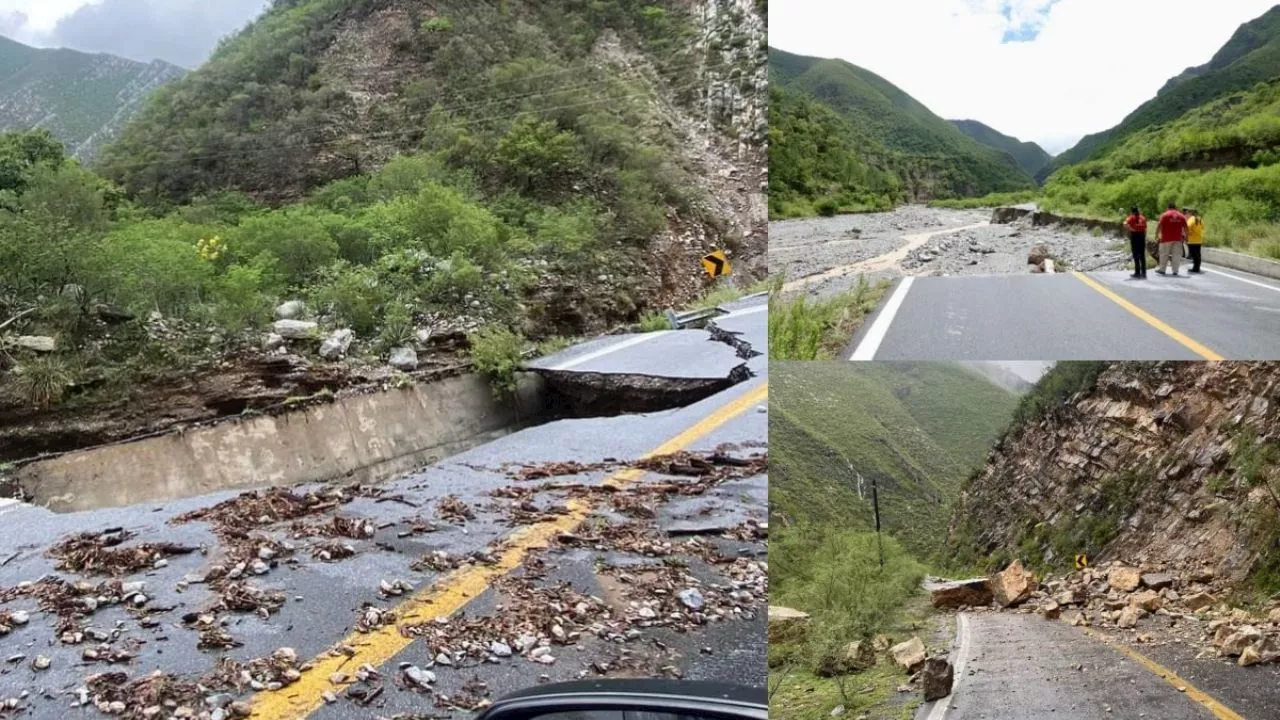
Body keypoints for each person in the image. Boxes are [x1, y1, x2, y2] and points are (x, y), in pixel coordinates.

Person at [1156, 202, 1188, 276]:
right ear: (1175, 207)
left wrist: (1157, 235)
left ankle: (1162, 270)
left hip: (1166, 239)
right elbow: (1186, 228)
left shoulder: (1165, 215)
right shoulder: (1181, 216)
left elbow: (1159, 225)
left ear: (1168, 207)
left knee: (1164, 254)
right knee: (1176, 255)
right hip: (1178, 239)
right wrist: (1187, 237)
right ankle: (1175, 271)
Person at [1124, 206, 1148, 278]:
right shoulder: (1143, 217)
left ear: (1132, 211)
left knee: (1136, 255)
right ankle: (1144, 273)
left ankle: (1137, 272)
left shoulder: (1131, 217)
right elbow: (1145, 228)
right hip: (1142, 236)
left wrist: (1131, 229)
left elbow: (1125, 224)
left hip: (1135, 236)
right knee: (1142, 255)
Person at [1185, 208, 1205, 273]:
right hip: (1199, 240)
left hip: (1192, 240)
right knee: (1198, 255)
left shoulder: (1190, 220)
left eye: (1187, 213)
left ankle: (1195, 268)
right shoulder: (1200, 219)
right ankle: (1197, 267)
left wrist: (1187, 236)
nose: (1186, 214)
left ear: (1190, 213)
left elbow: (1187, 228)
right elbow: (1202, 227)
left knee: (1194, 255)